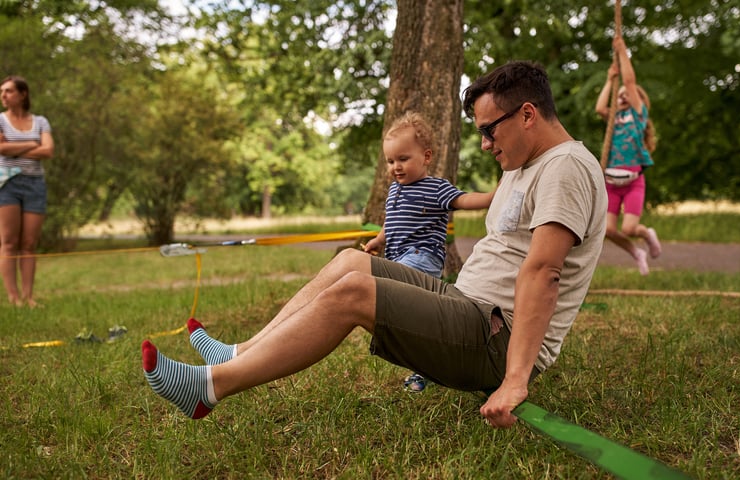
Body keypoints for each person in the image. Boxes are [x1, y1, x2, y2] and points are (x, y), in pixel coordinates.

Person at [142, 60, 607, 429]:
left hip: (495, 336)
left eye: (489, 129)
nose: (484, 144)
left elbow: (544, 272)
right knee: (349, 263)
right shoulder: (524, 166)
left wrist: (514, 380)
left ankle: (210, 387)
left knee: (353, 295)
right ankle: (241, 352)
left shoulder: (565, 167)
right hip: (467, 304)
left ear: (527, 114)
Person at [363, 111, 495, 392]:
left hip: (423, 257)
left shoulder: (435, 188)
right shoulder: (394, 191)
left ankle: (421, 368)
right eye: (390, 161)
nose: (396, 167)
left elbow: (462, 199)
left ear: (426, 156)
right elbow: (392, 221)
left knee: (395, 298)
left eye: (403, 159)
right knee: (411, 319)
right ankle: (422, 368)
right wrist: (378, 239)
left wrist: (493, 197)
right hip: (397, 257)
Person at [595, 37, 661, 275]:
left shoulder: (637, 115)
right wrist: (609, 81)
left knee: (631, 227)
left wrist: (623, 52)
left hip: (633, 182)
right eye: (619, 94)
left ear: (638, 101)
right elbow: (599, 108)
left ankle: (646, 234)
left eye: (626, 94)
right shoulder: (614, 119)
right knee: (608, 230)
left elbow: (630, 81)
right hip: (611, 183)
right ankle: (636, 252)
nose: (622, 96)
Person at [0, 76, 53, 308]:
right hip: (7, 184)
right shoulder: (0, 120)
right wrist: (33, 144)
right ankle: (13, 298)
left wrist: (13, 150)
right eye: (2, 92)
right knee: (9, 242)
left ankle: (28, 297)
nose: (4, 95)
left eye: (9, 91)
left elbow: (48, 150)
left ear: (23, 94)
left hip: (34, 184)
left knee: (29, 243)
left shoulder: (40, 122)